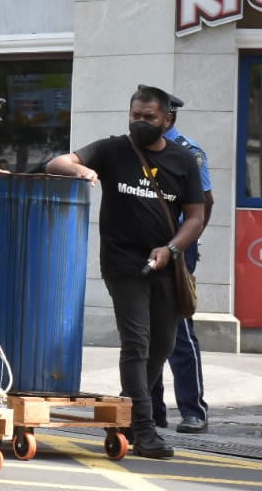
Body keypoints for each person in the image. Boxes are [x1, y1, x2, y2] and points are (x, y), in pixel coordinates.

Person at [46, 84, 206, 459]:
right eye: (135, 116)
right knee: (137, 342)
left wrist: (171, 249)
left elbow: (196, 216)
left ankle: (127, 413)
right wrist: (82, 169)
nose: (141, 123)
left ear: (167, 120)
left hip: (166, 264)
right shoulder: (114, 149)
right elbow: (56, 163)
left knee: (163, 344)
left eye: (149, 117)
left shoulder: (184, 161)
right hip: (123, 264)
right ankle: (144, 431)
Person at [151, 93, 213, 434]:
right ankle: (154, 409)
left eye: (150, 116)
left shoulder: (190, 152)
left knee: (178, 330)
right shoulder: (137, 150)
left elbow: (206, 201)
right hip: (143, 244)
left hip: (177, 245)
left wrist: (190, 241)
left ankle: (193, 410)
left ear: (168, 119)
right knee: (145, 329)